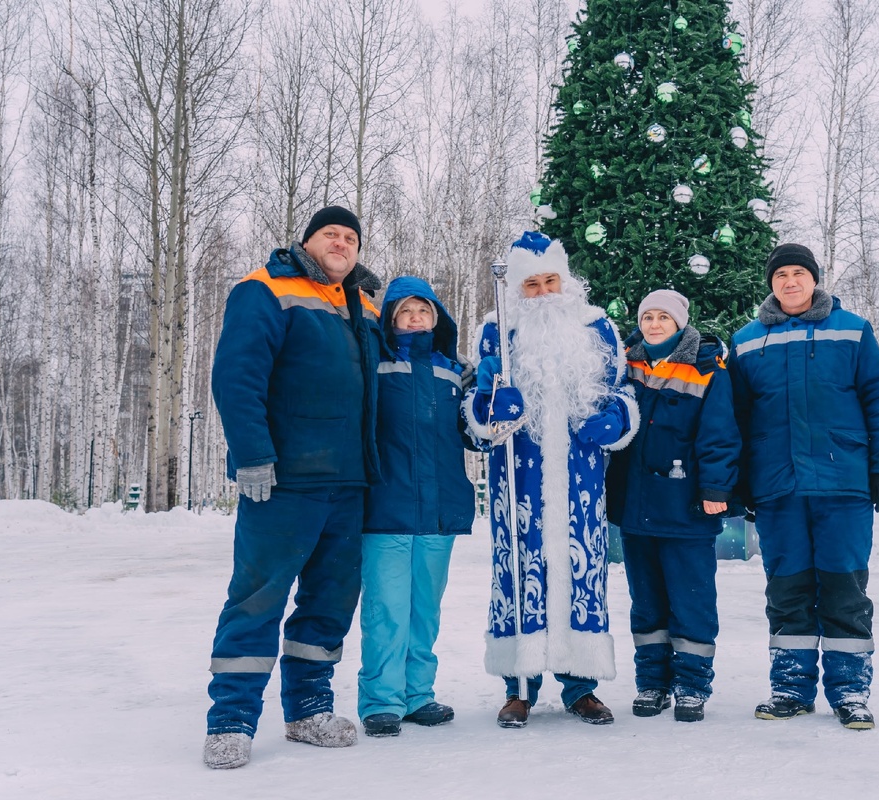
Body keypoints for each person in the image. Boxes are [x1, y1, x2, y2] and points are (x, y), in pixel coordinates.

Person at [203, 206, 381, 769]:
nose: (342, 242)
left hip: (349, 483)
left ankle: (308, 709)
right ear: (307, 241)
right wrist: (252, 455)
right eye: (331, 233)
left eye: (351, 237)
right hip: (284, 481)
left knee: (330, 602)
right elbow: (237, 375)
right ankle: (231, 718)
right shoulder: (264, 289)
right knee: (258, 597)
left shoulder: (361, 303)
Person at [463, 231, 638, 728]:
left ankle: (581, 685)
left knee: (581, 570)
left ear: (566, 282)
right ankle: (519, 686)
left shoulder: (597, 326)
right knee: (521, 570)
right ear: (518, 289)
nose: (542, 292)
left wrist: (618, 421)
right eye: (532, 284)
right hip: (519, 475)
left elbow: (621, 389)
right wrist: (491, 407)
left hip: (581, 477)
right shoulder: (498, 329)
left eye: (550, 281)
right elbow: (478, 406)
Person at [728, 242, 879, 731]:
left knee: (845, 589)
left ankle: (851, 693)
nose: (789, 281)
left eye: (798, 273)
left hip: (843, 485)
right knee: (787, 591)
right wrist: (740, 482)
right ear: (770, 283)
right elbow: (736, 419)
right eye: (780, 274)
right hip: (777, 489)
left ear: (814, 279)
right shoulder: (746, 341)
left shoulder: (852, 330)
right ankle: (790, 688)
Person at [605, 289, 741, 723]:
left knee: (692, 599)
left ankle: (691, 685)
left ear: (680, 323)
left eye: (664, 317)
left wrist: (717, 490)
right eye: (648, 317)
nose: (655, 324)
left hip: (686, 509)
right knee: (645, 601)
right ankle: (652, 683)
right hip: (636, 508)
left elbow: (720, 437)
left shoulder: (707, 369)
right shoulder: (624, 366)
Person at [357, 276, 476, 738]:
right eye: (404, 311)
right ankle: (381, 701)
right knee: (387, 609)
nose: (415, 318)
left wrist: (493, 407)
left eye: (423, 310)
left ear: (437, 316)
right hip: (386, 505)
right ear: (389, 317)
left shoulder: (454, 371)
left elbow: (475, 433)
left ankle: (418, 695)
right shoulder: (375, 363)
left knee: (425, 609)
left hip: (439, 509)